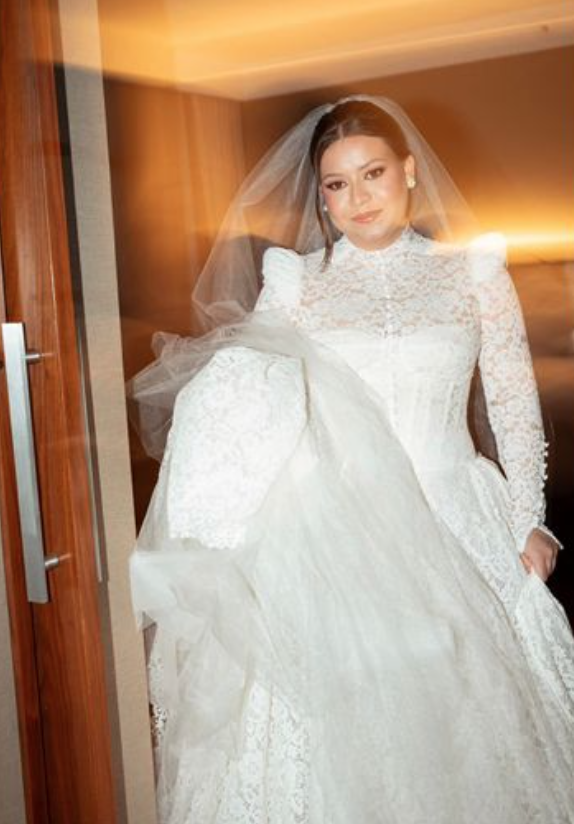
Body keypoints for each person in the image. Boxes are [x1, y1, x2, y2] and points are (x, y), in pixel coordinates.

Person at [128, 96, 574, 823]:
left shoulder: (474, 273)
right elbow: (252, 392)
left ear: (409, 172)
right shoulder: (296, 283)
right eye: (337, 184)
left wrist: (530, 519)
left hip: (458, 513)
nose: (358, 198)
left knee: (476, 730)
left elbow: (513, 401)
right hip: (340, 531)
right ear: (322, 198)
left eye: (373, 174)